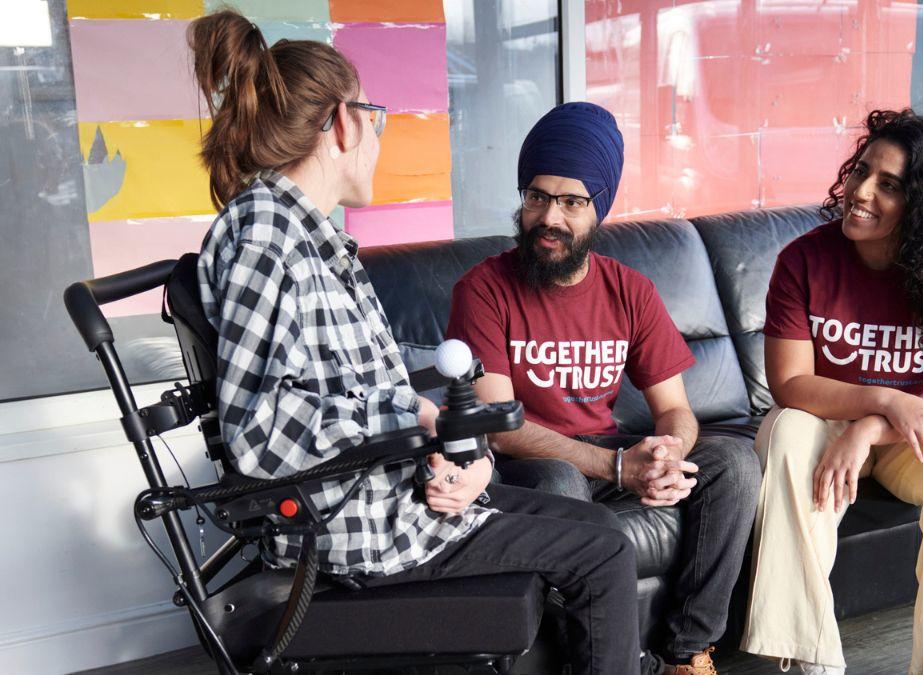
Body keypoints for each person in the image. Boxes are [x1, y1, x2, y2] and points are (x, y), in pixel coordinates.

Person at [189, 11, 640, 673]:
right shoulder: (268, 241)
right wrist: (419, 418)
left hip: (385, 492)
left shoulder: (305, 240)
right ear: (343, 122)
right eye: (372, 117)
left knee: (600, 528)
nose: (376, 135)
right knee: (605, 553)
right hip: (357, 525)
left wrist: (463, 456)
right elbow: (262, 431)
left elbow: (365, 396)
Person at [445, 102, 762, 675]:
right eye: (538, 197)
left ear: (599, 211)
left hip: (611, 457)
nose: (551, 217)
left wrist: (668, 455)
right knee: (562, 479)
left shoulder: (630, 291)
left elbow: (676, 411)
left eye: (572, 202)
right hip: (533, 469)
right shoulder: (483, 290)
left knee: (734, 463)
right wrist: (615, 468)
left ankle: (685, 652)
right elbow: (497, 423)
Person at [741, 109, 923, 675]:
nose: (860, 192)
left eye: (888, 185)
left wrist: (873, 427)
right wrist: (882, 400)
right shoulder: (804, 260)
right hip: (824, 419)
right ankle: (808, 658)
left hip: (899, 435)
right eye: (861, 171)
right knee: (787, 432)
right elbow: (790, 384)